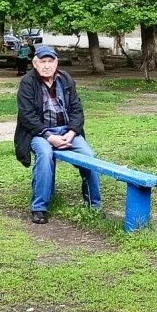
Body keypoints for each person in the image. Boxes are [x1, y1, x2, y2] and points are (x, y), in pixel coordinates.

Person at [14, 45, 101, 224]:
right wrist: (49, 136)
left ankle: (95, 205)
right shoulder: (28, 82)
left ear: (56, 62)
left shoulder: (65, 79)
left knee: (90, 157)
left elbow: (77, 109)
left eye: (50, 61)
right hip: (38, 133)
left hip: (67, 130)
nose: (47, 65)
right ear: (35, 63)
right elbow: (26, 115)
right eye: (42, 61)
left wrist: (72, 132)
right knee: (45, 155)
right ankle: (39, 208)